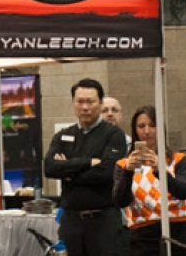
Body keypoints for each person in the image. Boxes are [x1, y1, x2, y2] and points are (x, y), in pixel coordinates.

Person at [46, 78, 130, 256]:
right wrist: (88, 163)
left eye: (90, 101)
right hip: (71, 222)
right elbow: (50, 168)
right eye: (80, 101)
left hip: (103, 222)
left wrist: (68, 172)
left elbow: (107, 172)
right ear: (73, 104)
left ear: (100, 104)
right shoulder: (63, 135)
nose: (85, 107)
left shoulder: (113, 134)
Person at [114, 105, 186, 255]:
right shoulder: (123, 164)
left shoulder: (177, 160)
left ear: (160, 129)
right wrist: (127, 172)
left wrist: (160, 170)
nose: (147, 131)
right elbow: (120, 201)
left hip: (179, 230)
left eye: (152, 125)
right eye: (141, 126)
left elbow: (183, 192)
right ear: (135, 130)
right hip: (143, 234)